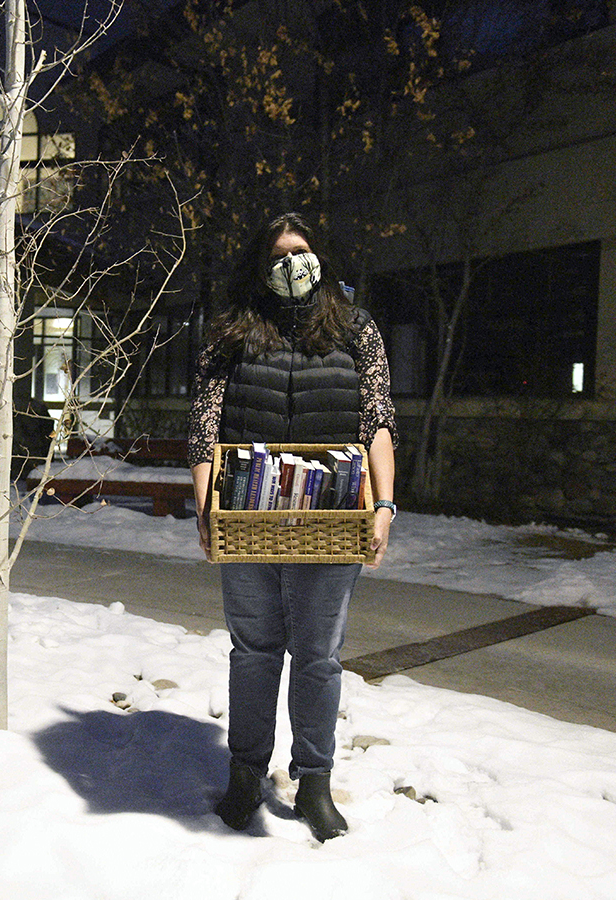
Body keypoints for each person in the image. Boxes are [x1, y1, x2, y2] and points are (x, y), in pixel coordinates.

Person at [187, 213, 398, 840]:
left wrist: (385, 504)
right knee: (253, 653)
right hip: (247, 516)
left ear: (320, 256)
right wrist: (206, 510)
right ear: (260, 266)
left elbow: (378, 420)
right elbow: (204, 426)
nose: (291, 265)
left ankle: (314, 784)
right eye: (278, 255)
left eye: (300, 251)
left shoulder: (356, 330)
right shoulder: (230, 332)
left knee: (318, 657)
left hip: (332, 519)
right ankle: (245, 774)